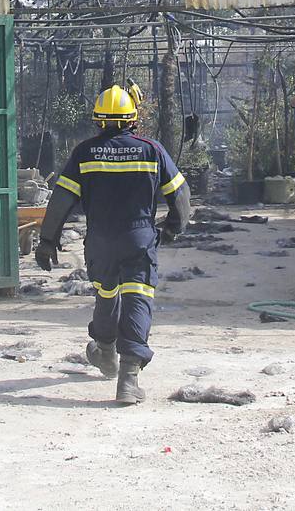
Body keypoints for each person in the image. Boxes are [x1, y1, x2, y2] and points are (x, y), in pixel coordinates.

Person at [36, 84, 191, 404]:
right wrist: (174, 227)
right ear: (133, 118)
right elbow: (181, 195)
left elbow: (61, 199)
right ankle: (128, 379)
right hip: (138, 238)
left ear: (98, 120)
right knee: (137, 298)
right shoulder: (152, 149)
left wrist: (47, 241)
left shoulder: (84, 152)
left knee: (106, 294)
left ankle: (105, 350)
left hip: (100, 240)